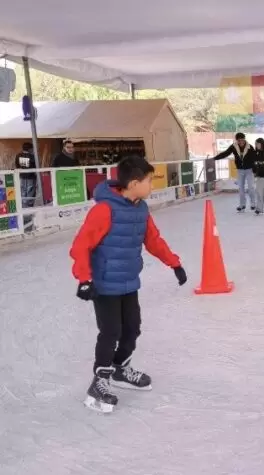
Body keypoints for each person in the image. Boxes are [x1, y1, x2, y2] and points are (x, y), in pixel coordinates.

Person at [69, 156, 188, 413]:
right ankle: (99, 382)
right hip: (104, 284)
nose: (151, 186)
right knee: (110, 332)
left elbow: (153, 240)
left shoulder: (140, 209)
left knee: (132, 329)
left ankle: (120, 369)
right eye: (148, 181)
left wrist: (174, 263)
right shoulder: (104, 210)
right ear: (134, 183)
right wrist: (84, 279)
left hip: (129, 281)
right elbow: (81, 246)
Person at [213, 132, 256, 212]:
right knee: (241, 188)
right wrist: (215, 158)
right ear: (237, 140)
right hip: (240, 170)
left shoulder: (250, 147)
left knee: (251, 187)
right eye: (239, 140)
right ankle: (242, 205)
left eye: (242, 140)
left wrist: (255, 170)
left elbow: (254, 159)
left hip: (249, 170)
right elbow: (226, 153)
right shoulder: (234, 146)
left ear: (244, 139)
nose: (240, 142)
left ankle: (253, 203)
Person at [14, 142, 37, 208]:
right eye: (32, 148)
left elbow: (17, 165)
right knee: (30, 193)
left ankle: (23, 207)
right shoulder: (32, 156)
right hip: (31, 177)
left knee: (22, 191)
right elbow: (35, 167)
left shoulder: (18, 155)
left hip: (21, 177)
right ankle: (29, 208)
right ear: (30, 149)